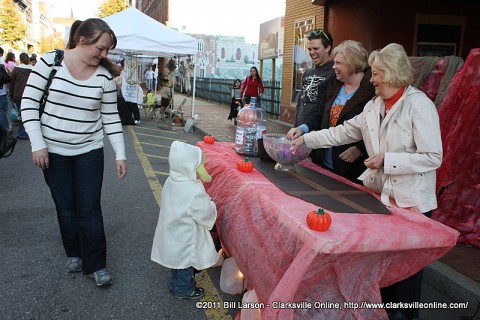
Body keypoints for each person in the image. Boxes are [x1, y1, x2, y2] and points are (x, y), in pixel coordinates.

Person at [289, 43, 442, 320]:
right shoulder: (374, 105)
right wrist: (305, 139)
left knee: (406, 276)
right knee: (384, 267)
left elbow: (433, 157)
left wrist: (388, 160)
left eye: (377, 74)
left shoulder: (419, 105)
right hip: (381, 198)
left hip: (411, 203)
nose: (372, 80)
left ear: (393, 74)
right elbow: (341, 133)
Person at [21, 18, 127, 287]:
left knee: (90, 208)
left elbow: (111, 117)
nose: (104, 55)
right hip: (53, 151)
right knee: (66, 207)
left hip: (89, 150)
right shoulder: (50, 62)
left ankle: (97, 265)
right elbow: (29, 104)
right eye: (101, 48)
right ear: (82, 40)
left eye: (107, 51)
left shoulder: (103, 75)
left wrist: (120, 153)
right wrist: (37, 143)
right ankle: (74, 252)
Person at [288, 40, 375, 184]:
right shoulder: (333, 85)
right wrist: (303, 128)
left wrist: (360, 149)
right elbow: (319, 114)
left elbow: (375, 128)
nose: (333, 67)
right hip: (324, 160)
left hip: (351, 168)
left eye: (338, 63)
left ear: (352, 64)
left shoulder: (371, 92)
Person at [151, 141, 218, 300]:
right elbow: (203, 212)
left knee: (176, 262)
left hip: (172, 230)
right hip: (185, 235)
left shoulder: (171, 181)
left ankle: (174, 285)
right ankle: (184, 290)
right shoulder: (192, 190)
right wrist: (212, 205)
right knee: (186, 263)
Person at [294, 28, 335, 127]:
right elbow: (300, 104)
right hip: (299, 131)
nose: (312, 52)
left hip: (318, 135)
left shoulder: (335, 72)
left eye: (316, 48)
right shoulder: (308, 72)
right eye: (309, 49)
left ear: (327, 48)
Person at [9, 52, 32, 140]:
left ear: (20, 59)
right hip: (29, 95)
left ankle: (22, 133)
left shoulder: (16, 70)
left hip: (18, 94)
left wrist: (11, 94)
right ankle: (25, 132)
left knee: (21, 114)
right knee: (27, 114)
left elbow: (12, 83)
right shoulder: (32, 69)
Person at [118, 59, 141, 125]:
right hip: (132, 91)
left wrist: (119, 84)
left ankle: (134, 118)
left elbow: (120, 81)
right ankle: (134, 118)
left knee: (129, 105)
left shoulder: (123, 73)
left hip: (126, 91)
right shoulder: (134, 72)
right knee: (132, 105)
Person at [0, 47, 10, 132]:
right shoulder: (1, 62)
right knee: (2, 112)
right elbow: (6, 77)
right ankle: (5, 131)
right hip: (1, 92)